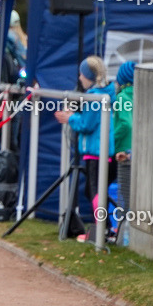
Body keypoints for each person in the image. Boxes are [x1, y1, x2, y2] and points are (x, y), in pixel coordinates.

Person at [54, 56, 116, 238]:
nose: (79, 77)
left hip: (96, 153)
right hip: (102, 152)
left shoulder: (94, 98)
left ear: (88, 75)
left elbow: (86, 125)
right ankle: (105, 229)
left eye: (82, 74)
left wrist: (70, 118)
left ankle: (103, 232)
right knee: (95, 193)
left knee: (95, 193)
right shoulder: (106, 93)